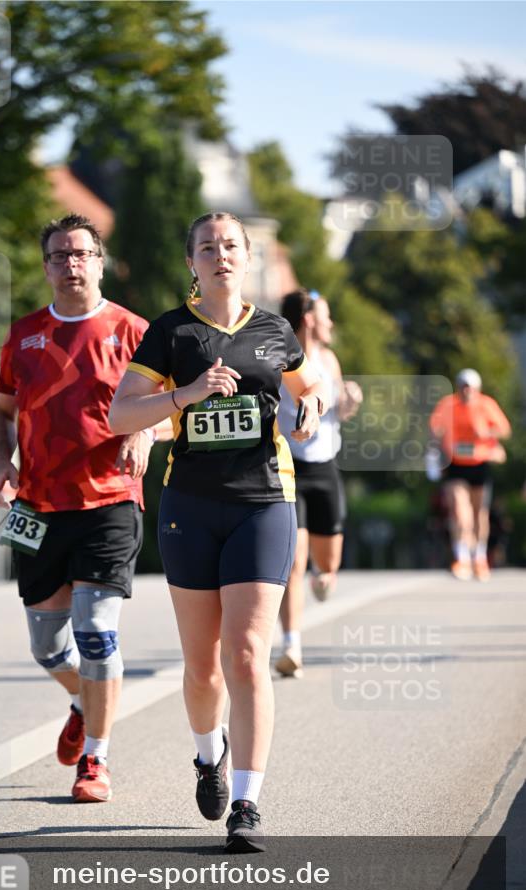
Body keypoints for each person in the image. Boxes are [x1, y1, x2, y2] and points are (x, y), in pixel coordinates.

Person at [108, 212, 328, 851]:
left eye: (231, 245)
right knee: (203, 666)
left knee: (245, 656)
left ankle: (247, 802)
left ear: (248, 256)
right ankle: (209, 756)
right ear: (192, 263)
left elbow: (308, 388)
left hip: (264, 500)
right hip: (191, 506)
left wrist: (309, 409)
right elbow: (123, 413)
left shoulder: (274, 330)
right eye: (208, 247)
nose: (221, 255)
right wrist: (187, 395)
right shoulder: (169, 332)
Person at [0, 213, 158, 804]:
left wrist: (145, 433)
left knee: (96, 636)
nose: (71, 263)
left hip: (109, 499)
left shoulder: (134, 330)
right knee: (46, 646)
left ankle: (95, 761)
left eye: (81, 253)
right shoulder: (24, 335)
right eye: (59, 255)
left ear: (100, 261)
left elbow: (171, 404)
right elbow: (1, 410)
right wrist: (1, 462)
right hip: (35, 505)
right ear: (46, 266)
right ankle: (85, 701)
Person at [274, 289, 362, 677]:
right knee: (293, 561)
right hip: (288, 468)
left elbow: (339, 411)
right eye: (326, 316)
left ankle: (323, 576)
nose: (331, 324)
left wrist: (351, 402)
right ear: (309, 319)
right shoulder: (279, 358)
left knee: (327, 564)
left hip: (325, 469)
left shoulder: (328, 359)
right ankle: (292, 644)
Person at [429, 368, 511, 581]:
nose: (467, 391)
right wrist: (436, 449)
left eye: (471, 387)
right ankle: (461, 557)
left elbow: (504, 429)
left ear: (477, 388)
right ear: (458, 387)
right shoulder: (448, 405)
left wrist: (486, 432)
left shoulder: (486, 404)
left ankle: (479, 557)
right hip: (456, 464)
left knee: (479, 513)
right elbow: (434, 429)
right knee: (459, 510)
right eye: (463, 386)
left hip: (480, 464)